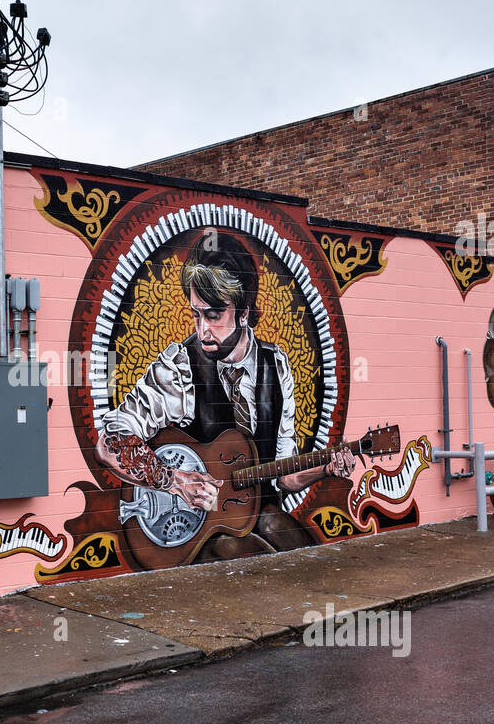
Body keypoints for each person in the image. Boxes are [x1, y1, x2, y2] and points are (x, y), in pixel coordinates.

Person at [95, 228, 354, 555]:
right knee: (249, 555)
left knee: (310, 555)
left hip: (256, 511)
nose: (202, 329)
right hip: (197, 528)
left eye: (214, 315)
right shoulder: (180, 367)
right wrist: (173, 480)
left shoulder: (276, 366)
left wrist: (325, 468)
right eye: (196, 314)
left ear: (244, 310)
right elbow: (109, 442)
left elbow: (284, 474)